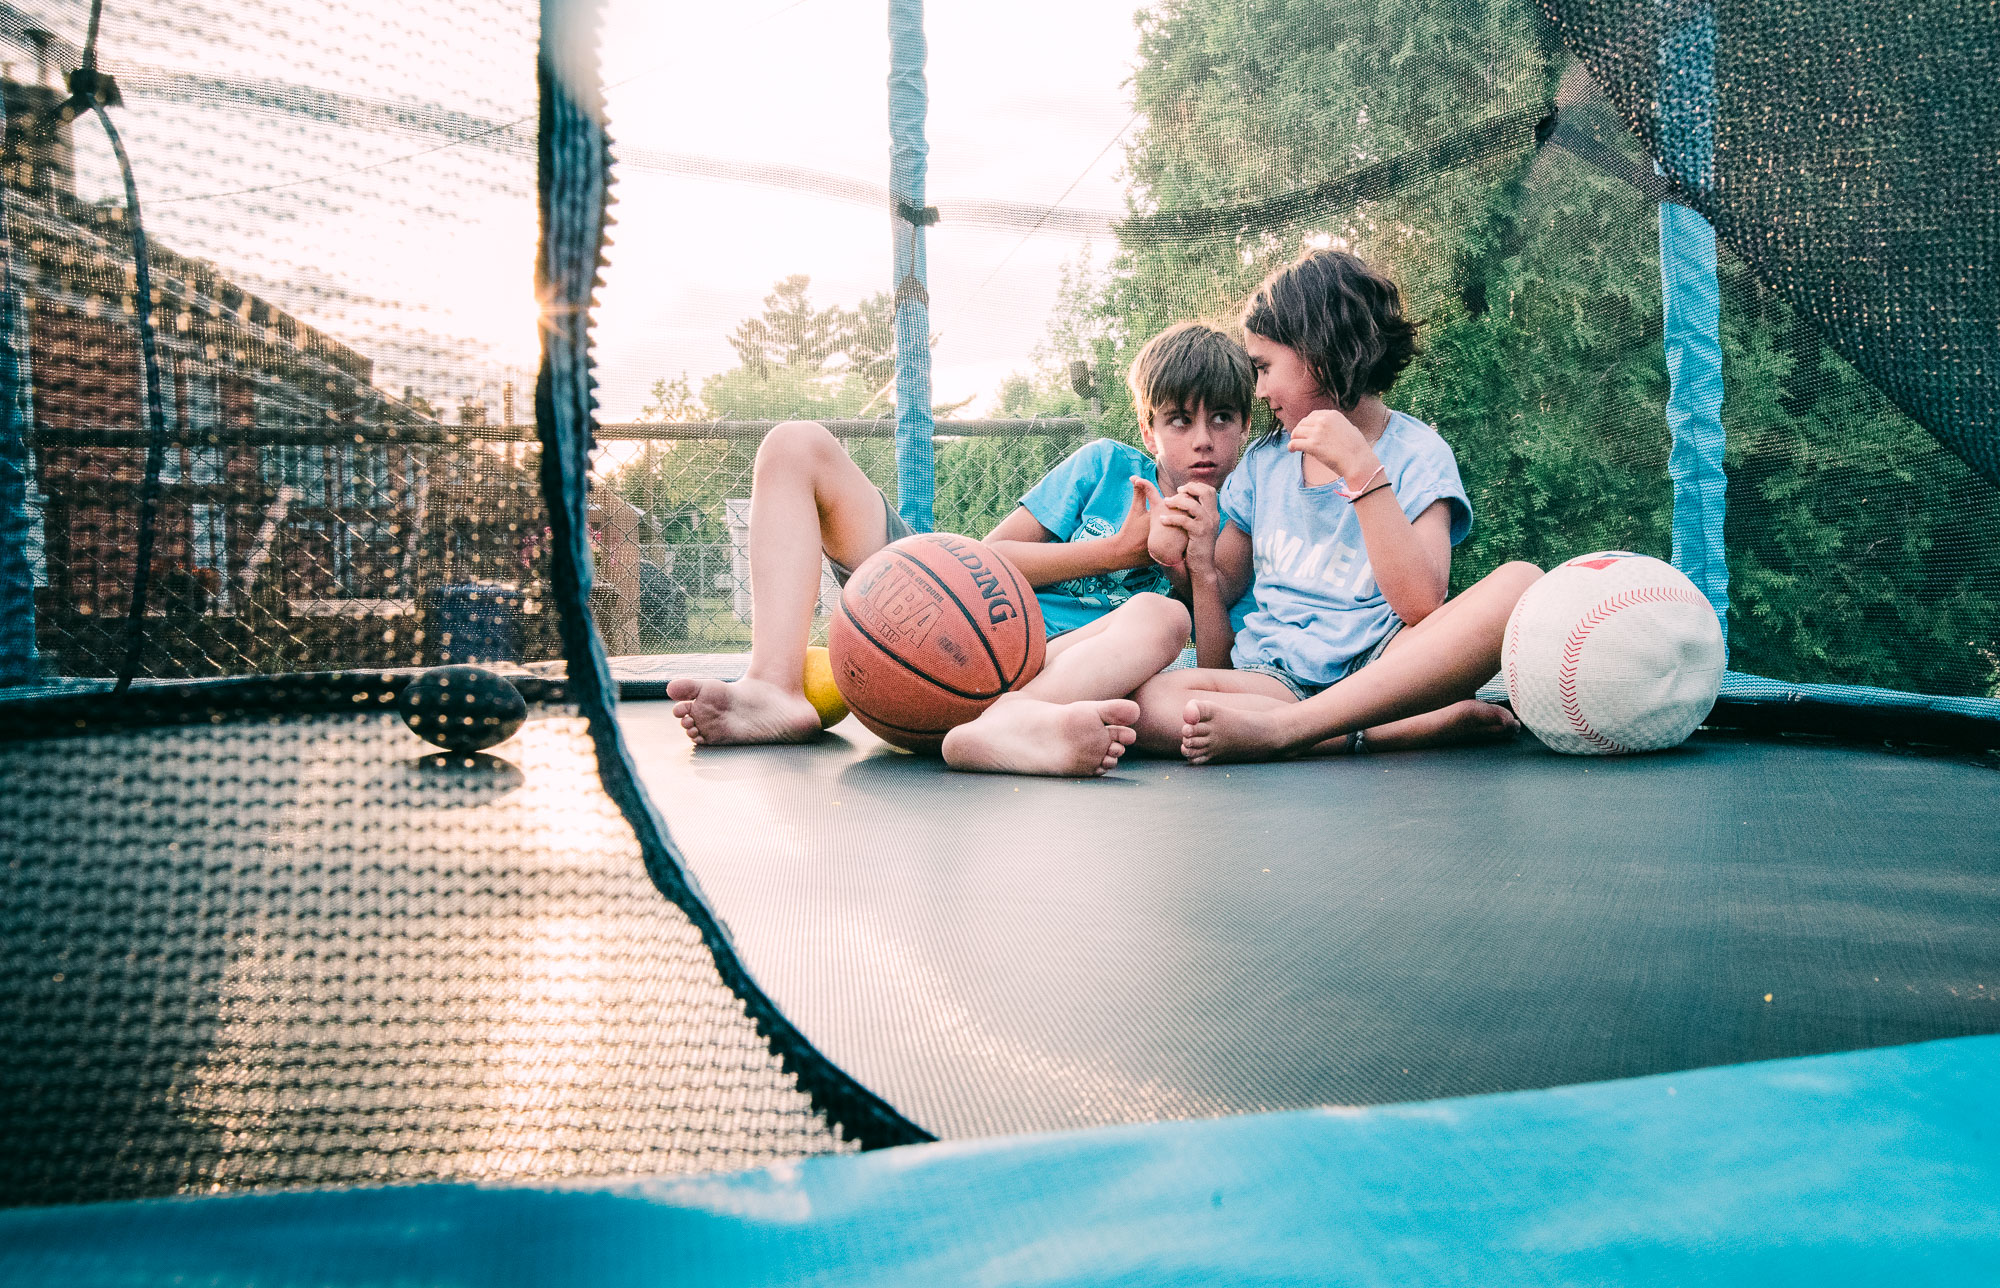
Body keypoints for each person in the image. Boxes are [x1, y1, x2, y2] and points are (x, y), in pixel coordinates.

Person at [666, 322, 1252, 776]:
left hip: (1040, 669)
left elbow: (1214, 671)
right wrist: (1115, 553)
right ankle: (773, 688)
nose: (1202, 439)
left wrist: (1192, 569)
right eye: (1179, 420)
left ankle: (1010, 726)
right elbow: (982, 560)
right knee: (795, 445)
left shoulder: (1243, 520)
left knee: (1161, 615)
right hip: (951, 610)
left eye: (1221, 418)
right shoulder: (1106, 467)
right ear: (1149, 429)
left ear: (1246, 427)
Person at [1126, 249, 1542, 763]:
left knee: (1521, 585)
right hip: (1273, 682)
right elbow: (1221, 629)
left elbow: (1420, 605)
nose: (1258, 390)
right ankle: (1377, 732)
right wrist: (1196, 560)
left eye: (1265, 367)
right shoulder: (1265, 462)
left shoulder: (1418, 455)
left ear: (1318, 354)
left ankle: (1294, 732)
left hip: (1386, 672)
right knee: (1142, 705)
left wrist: (1362, 473)